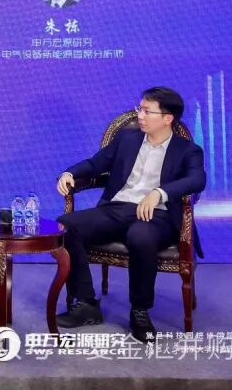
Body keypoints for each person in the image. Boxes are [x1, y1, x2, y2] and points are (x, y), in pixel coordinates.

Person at [55, 87, 206, 342]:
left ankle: (139, 311)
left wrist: (159, 193)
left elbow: (197, 179)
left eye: (147, 111)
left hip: (157, 215)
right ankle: (86, 304)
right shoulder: (127, 139)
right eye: (139, 109)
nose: (139, 116)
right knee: (66, 226)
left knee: (140, 237)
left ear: (167, 118)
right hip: (118, 208)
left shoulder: (188, 150)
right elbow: (95, 164)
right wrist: (69, 173)